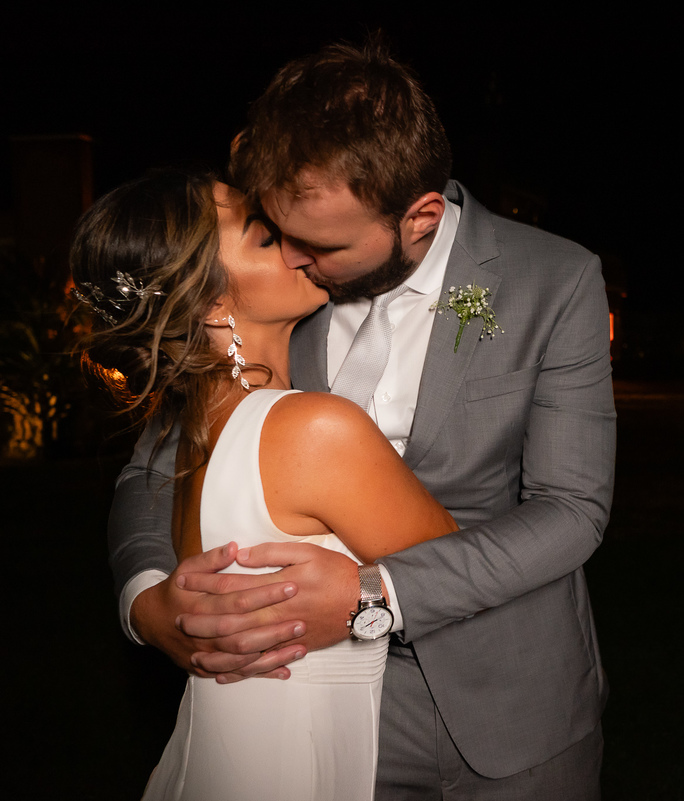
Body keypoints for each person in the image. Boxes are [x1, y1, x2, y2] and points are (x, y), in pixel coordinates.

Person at [110, 39, 616, 799]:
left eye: (321, 244)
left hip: (513, 699)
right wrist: (148, 602)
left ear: (419, 217)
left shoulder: (556, 280)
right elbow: (151, 468)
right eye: (274, 229)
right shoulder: (277, 301)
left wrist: (376, 595)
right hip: (326, 706)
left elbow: (573, 510)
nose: (292, 256)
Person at [74, 170, 459, 799]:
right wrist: (370, 594)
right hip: (290, 761)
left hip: (223, 748)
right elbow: (467, 576)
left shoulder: (197, 432)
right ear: (211, 305)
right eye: (265, 236)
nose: (298, 242)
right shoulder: (314, 430)